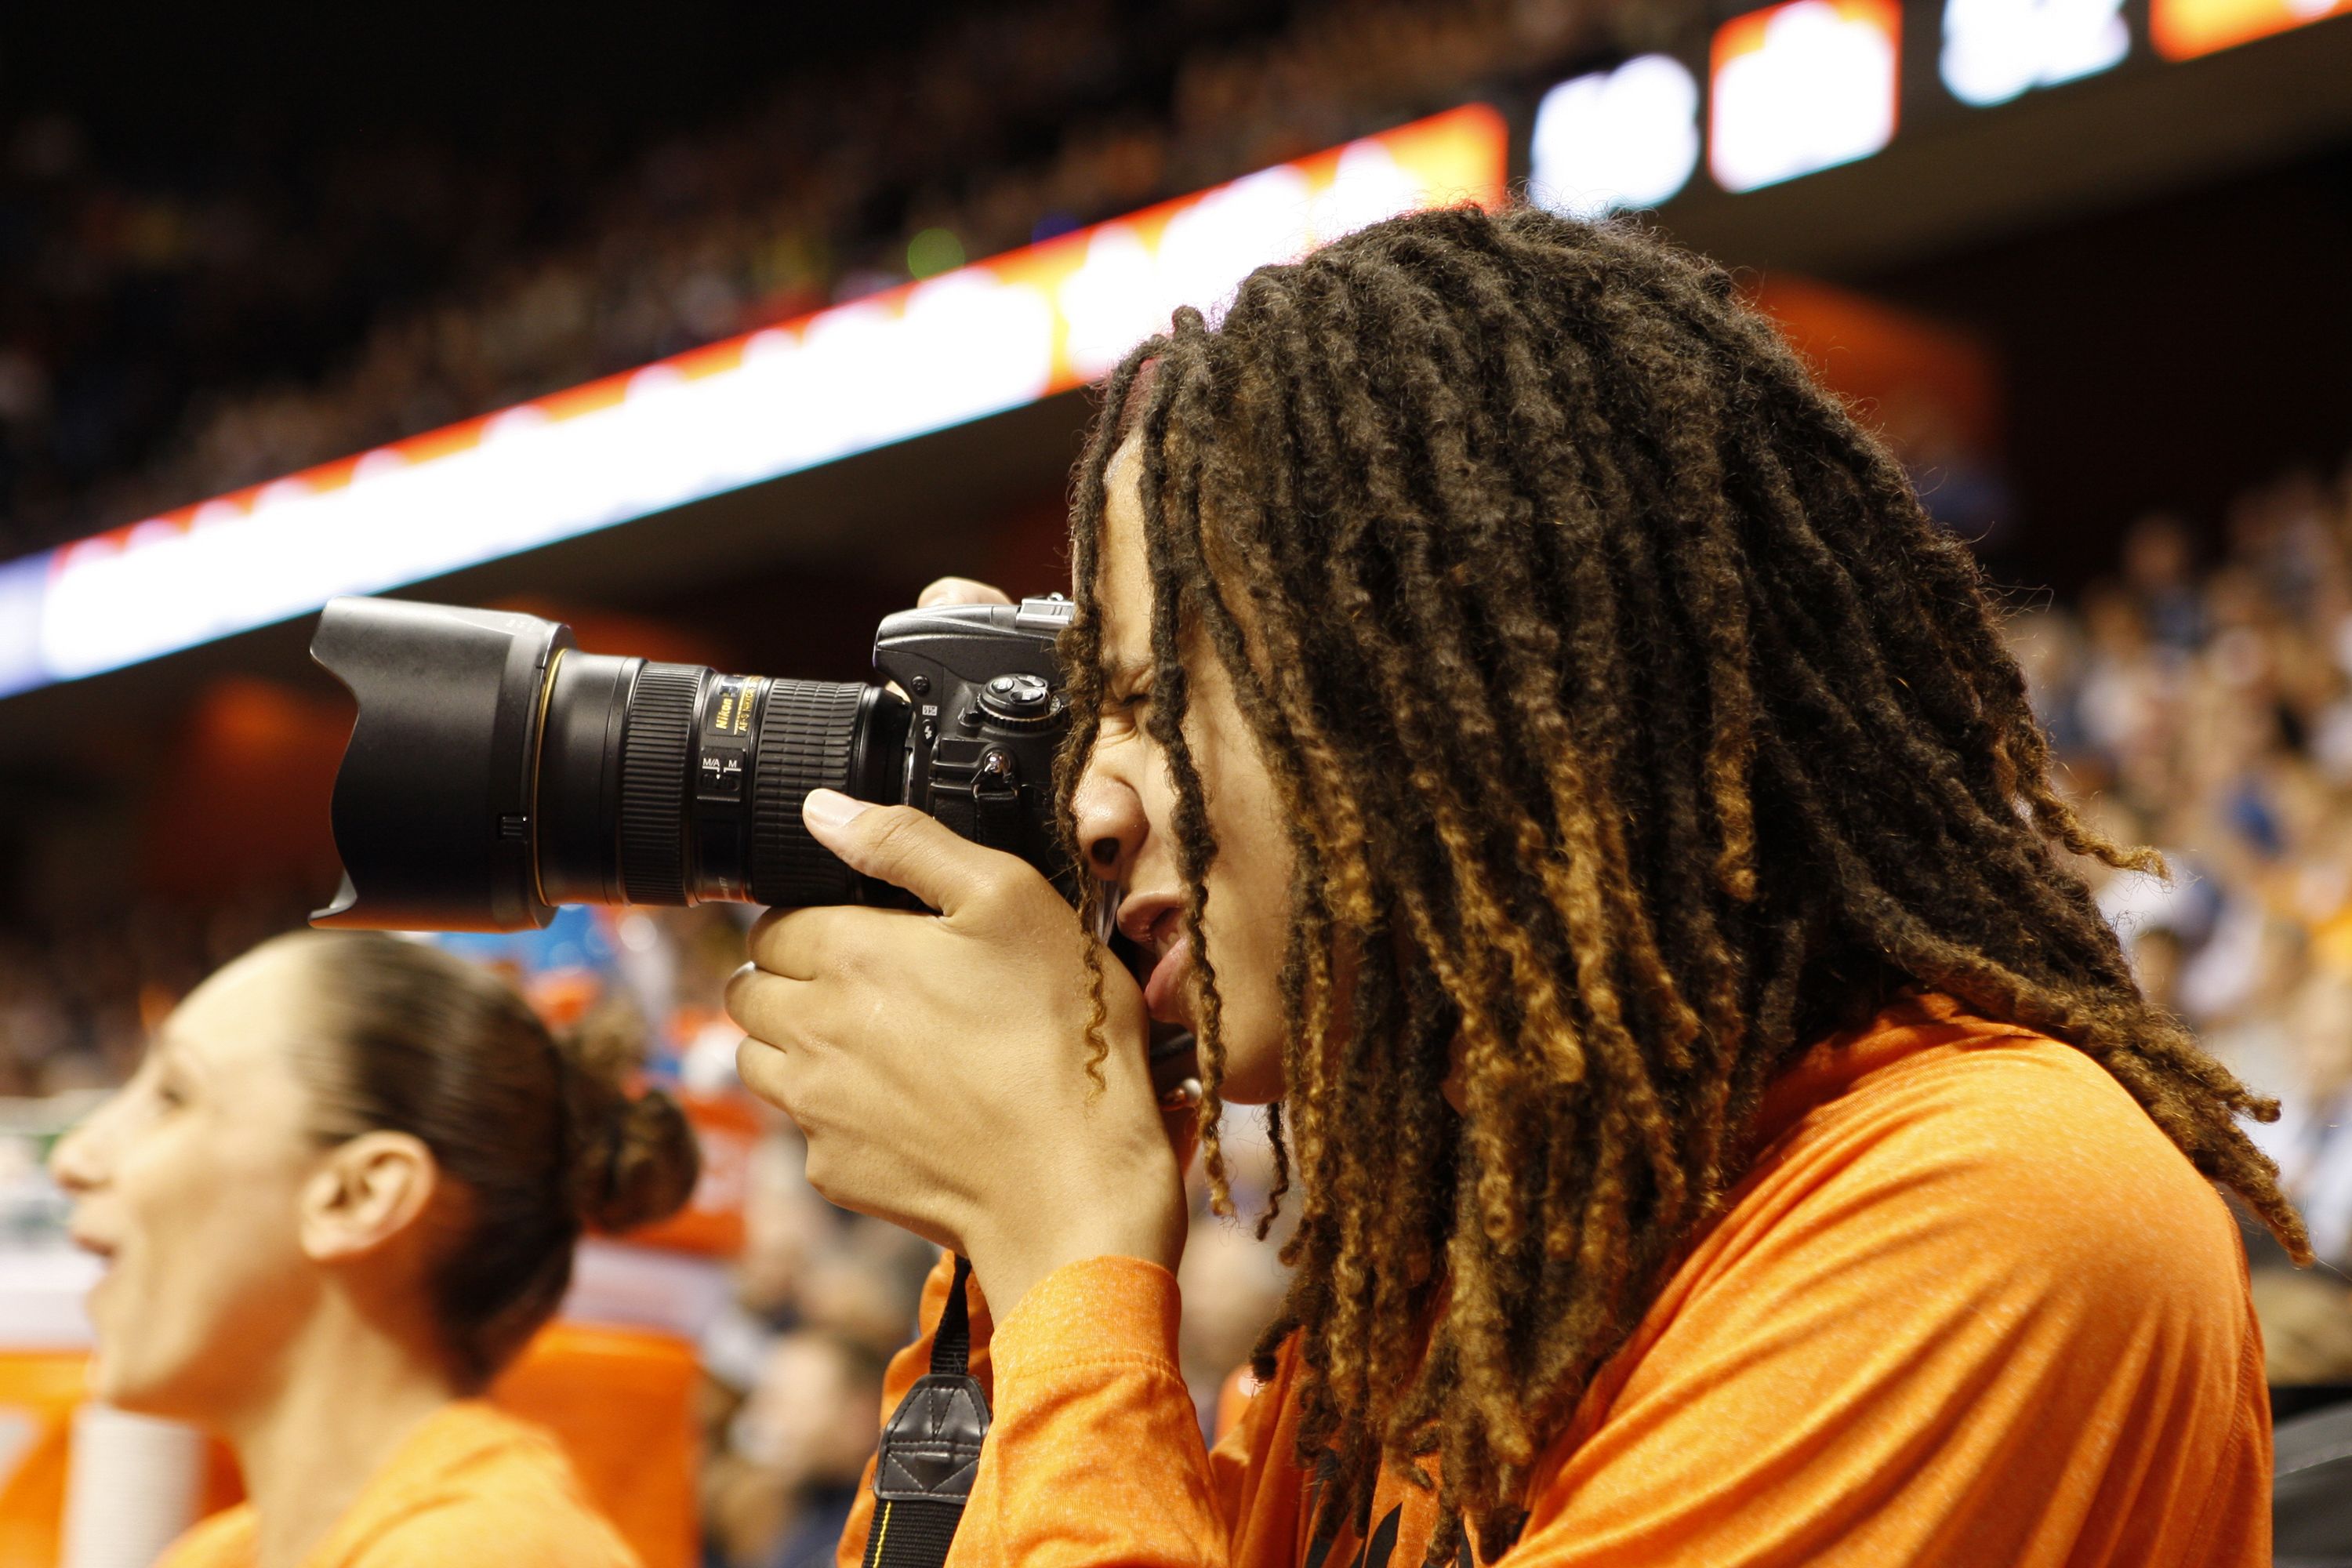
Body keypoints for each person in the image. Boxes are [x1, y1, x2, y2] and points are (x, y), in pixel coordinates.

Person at [725, 205, 2296, 1566]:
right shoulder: (1461, 1307)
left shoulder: (1987, 1205)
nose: (1092, 801)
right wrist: (1011, 1287)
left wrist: (1062, 1247)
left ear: (1444, 701)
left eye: (1155, 704)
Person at [49, 930, 700, 1568]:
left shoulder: (483, 1554)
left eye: (173, 1096)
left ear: (359, 1196)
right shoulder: (214, 1555)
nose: (74, 1157)